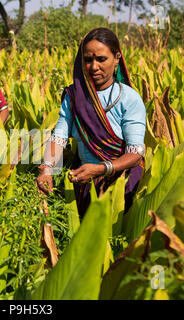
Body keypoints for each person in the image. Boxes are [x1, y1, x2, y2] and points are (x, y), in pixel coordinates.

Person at [37, 28, 146, 216]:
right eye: (88, 60)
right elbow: (59, 137)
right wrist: (47, 169)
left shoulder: (129, 98)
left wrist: (101, 169)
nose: (94, 67)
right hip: (84, 180)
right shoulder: (74, 96)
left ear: (117, 58)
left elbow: (135, 153)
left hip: (122, 183)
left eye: (101, 59)